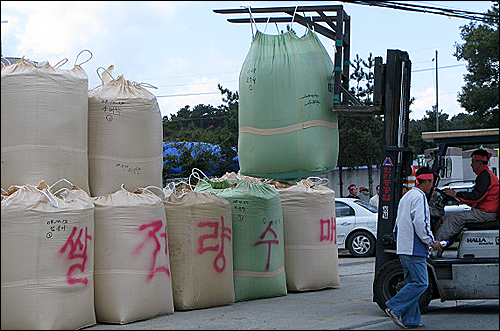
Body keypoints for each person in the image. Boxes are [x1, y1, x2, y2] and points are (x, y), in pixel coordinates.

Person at [384, 166, 443, 329]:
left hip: (403, 248)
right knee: (421, 283)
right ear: (428, 181)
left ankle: (411, 320)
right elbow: (421, 223)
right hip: (414, 248)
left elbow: (397, 223)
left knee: (411, 282)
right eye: (431, 183)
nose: (431, 186)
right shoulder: (420, 197)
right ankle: (394, 306)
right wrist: (431, 241)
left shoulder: (407, 196)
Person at [434, 149, 499, 246]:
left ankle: (435, 245)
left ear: (479, 162)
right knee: (459, 217)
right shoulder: (486, 175)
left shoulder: (484, 176)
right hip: (486, 211)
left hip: (486, 213)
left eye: (473, 162)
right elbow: (479, 199)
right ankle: (445, 244)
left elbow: (476, 197)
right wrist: (459, 200)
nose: (471, 165)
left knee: (455, 218)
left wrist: (456, 194)